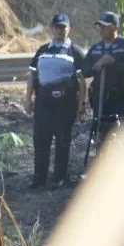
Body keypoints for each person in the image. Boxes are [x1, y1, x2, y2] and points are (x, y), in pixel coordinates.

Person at [24, 13, 87, 189]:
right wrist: (28, 99)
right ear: (52, 29)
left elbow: (82, 81)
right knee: (41, 140)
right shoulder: (42, 51)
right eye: (57, 27)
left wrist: (82, 103)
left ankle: (59, 177)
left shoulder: (75, 51)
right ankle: (39, 179)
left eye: (63, 28)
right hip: (44, 100)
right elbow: (32, 76)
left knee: (62, 140)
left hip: (65, 102)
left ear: (69, 29)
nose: (60, 31)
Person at [82, 11, 124, 148]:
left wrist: (112, 62)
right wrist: (98, 65)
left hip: (119, 98)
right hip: (99, 98)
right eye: (100, 26)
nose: (101, 30)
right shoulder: (96, 49)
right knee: (101, 134)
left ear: (115, 27)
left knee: (121, 134)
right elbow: (85, 71)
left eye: (105, 26)